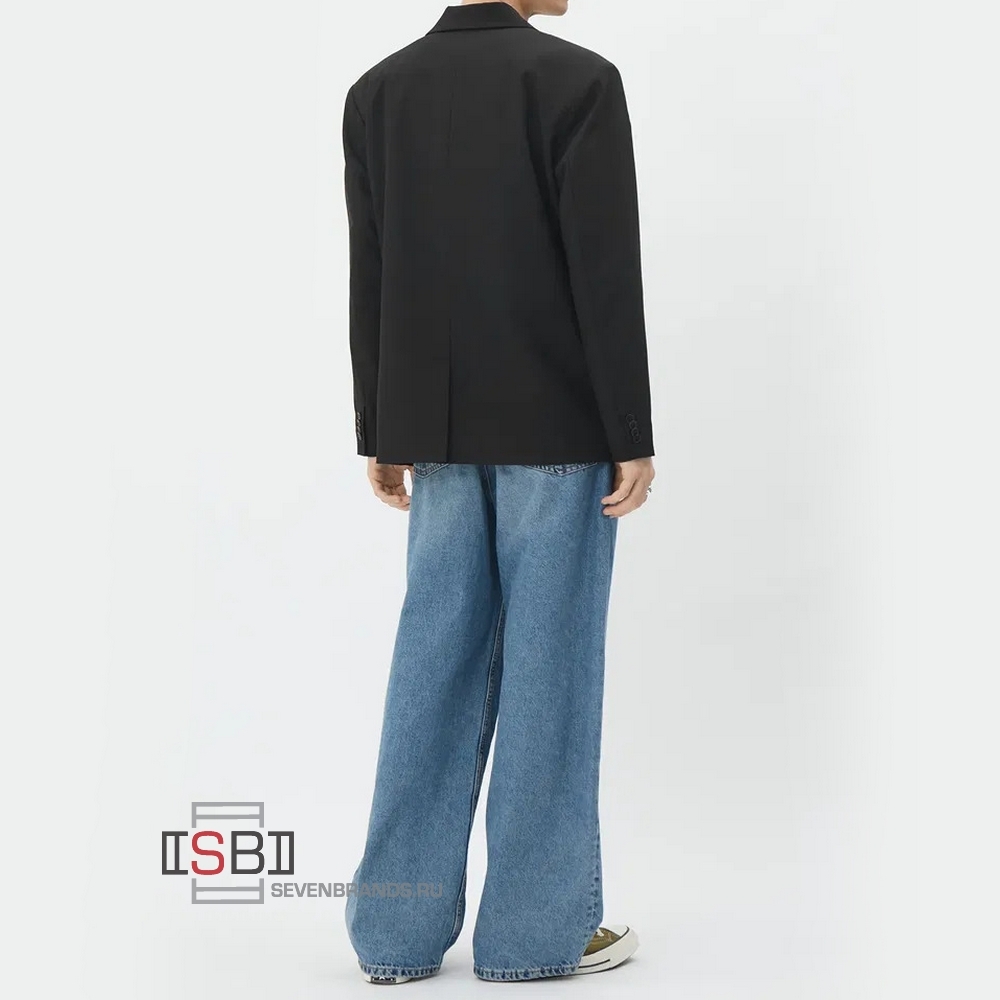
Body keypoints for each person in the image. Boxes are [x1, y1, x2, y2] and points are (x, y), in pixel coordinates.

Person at [342, 0, 655, 983]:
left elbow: (371, 268)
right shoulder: (576, 81)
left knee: (433, 665)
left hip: (433, 434)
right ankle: (533, 939)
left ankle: (393, 937)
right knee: (548, 675)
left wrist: (382, 429)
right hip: (557, 427)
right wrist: (630, 432)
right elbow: (603, 270)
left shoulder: (378, 90)